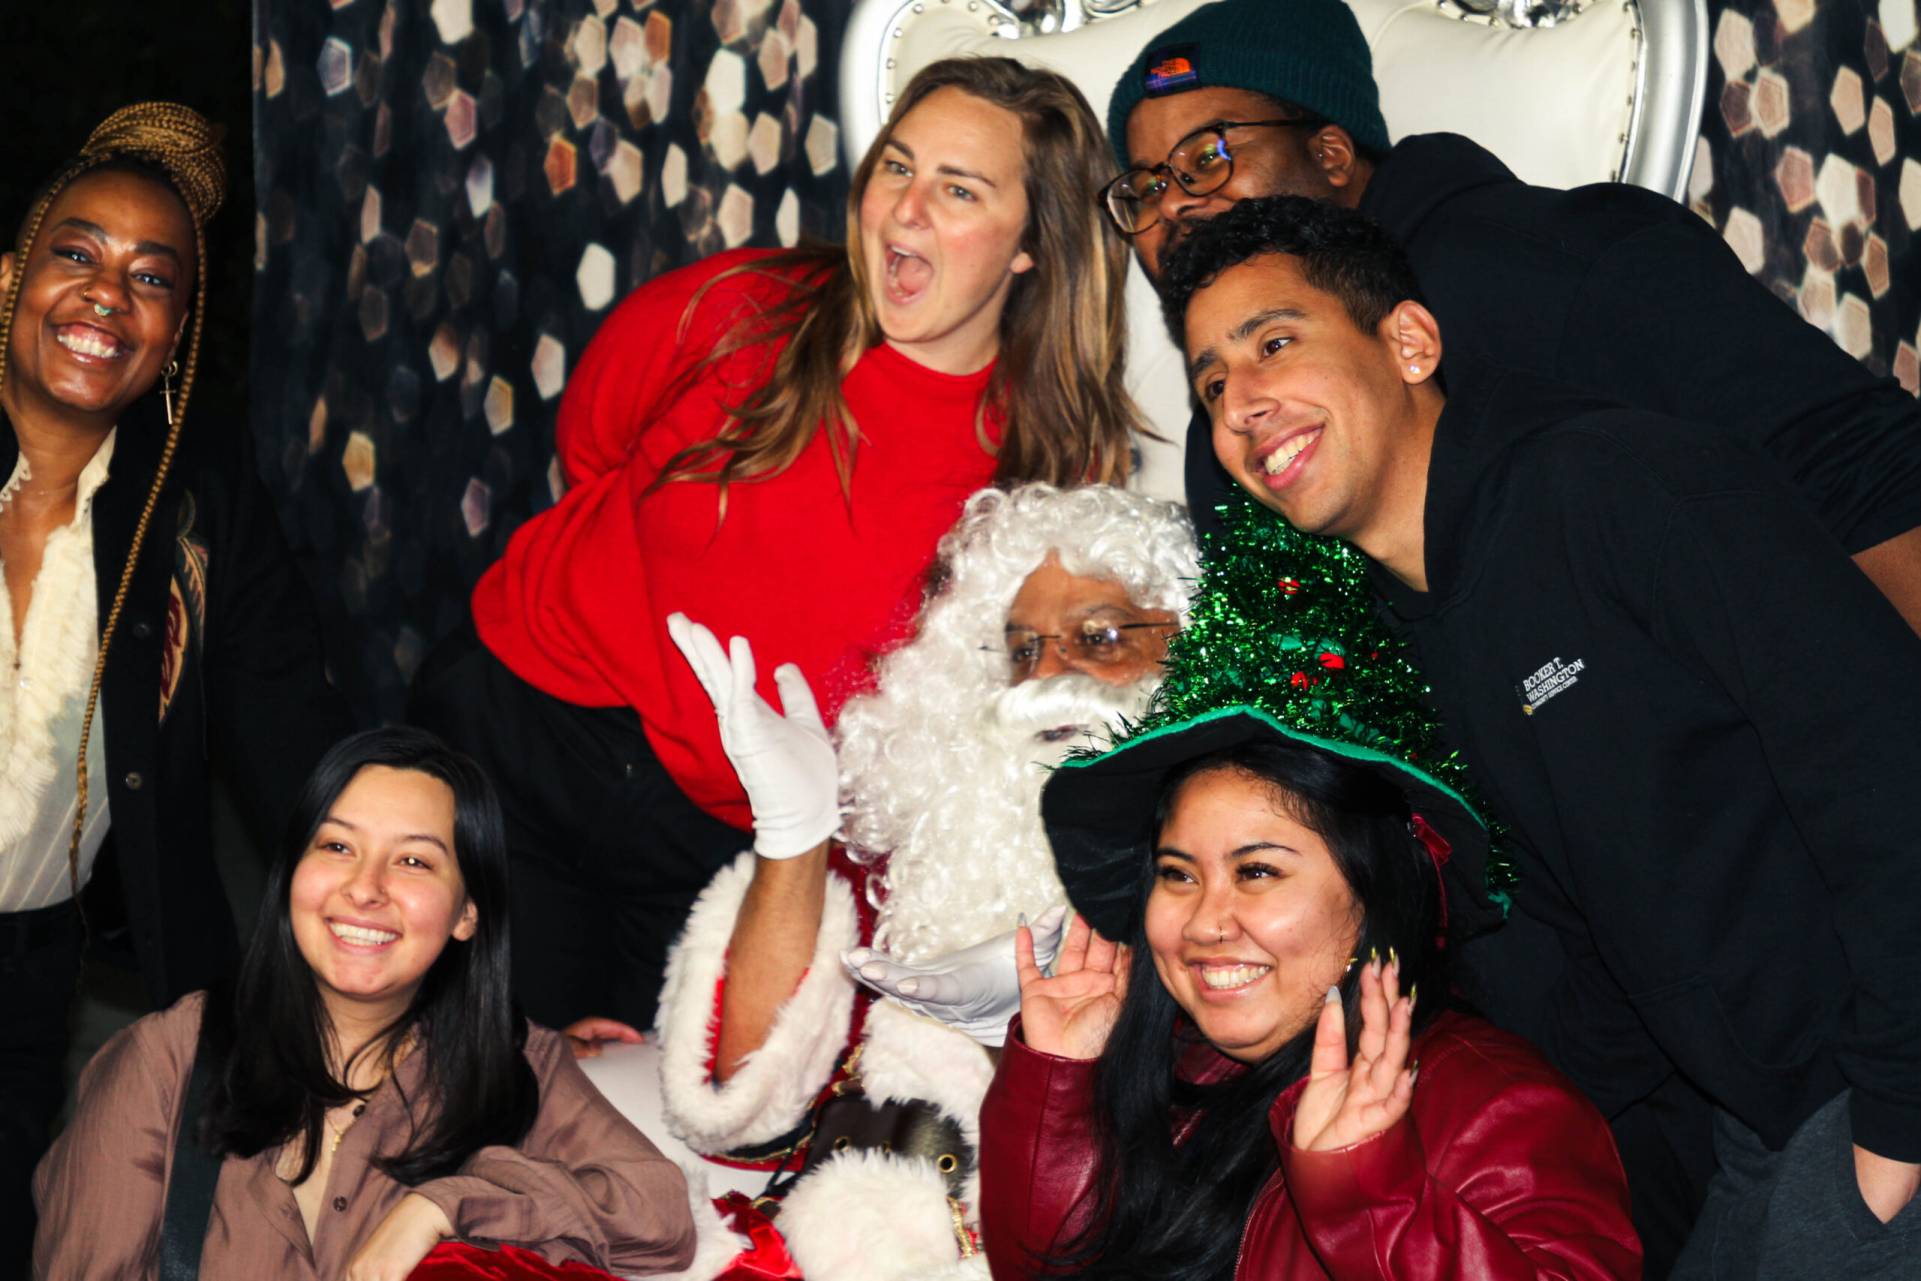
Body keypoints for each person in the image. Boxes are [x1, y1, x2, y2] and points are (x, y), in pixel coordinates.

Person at [1162, 194, 1921, 1276]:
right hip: (1756, 1133)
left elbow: (1886, 760)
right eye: (1210, 384)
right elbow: (1581, 951)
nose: (1241, 403)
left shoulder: (1618, 484)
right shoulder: (1400, 645)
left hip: (1875, 1095)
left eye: (1273, 343)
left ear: (1409, 342)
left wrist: (1895, 1125)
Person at [411, 56, 1141, 1035]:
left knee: (639, 1115)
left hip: (731, 843)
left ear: (1033, 244)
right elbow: (590, 440)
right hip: (525, 732)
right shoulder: (741, 306)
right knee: (464, 1076)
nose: (907, 208)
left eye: (958, 189)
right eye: (897, 166)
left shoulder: (1051, 463)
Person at [1101, 0, 1921, 636]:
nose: (1172, 205)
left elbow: (1855, 463)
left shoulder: (1546, 259)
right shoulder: (1234, 424)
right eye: (1144, 187)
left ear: (1330, 154)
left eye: (1207, 157)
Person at [977, 518, 1640, 1278]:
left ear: (1374, 889)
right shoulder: (1172, 1079)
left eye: (1257, 872)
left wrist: (1366, 1197)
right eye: (1178, 874)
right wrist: (1060, 1091)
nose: (1204, 922)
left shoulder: (1496, 1108)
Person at [568, 484, 1198, 1280]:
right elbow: (737, 1097)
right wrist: (795, 838)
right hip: (803, 1231)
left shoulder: (1219, 870)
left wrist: (1028, 1053)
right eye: (1020, 650)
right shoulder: (930, 844)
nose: (1045, 674)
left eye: (1098, 637)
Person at [0, 104, 350, 1268]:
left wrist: (430, 901)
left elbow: (293, 730)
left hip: (28, 961)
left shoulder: (196, 502)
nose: (108, 295)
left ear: (177, 334)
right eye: (77, 253)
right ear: (9, 278)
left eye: (151, 278)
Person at [33, 727, 695, 1279]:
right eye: (338, 846)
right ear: (291, 875)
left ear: (467, 912)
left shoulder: (516, 1067)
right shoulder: (165, 1061)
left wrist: (445, 1206)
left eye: (413, 862)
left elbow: (659, 1211)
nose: (365, 887)